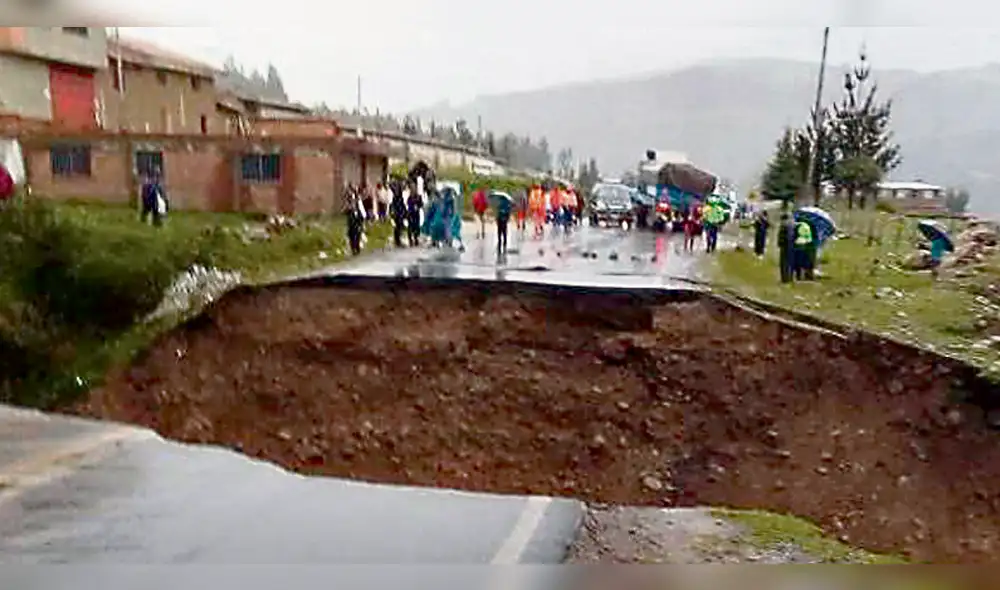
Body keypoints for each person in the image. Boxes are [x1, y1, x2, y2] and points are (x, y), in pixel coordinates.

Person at [777, 213, 796, 283]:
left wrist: (780, 243)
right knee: (790, 262)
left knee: (784, 263)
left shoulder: (784, 226)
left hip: (785, 246)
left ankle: (785, 279)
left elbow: (786, 237)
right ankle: (789, 278)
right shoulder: (792, 225)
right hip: (791, 246)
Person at [390, 180, 407, 248]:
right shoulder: (394, 197)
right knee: (397, 226)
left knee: (400, 226)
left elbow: (402, 205)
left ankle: (398, 240)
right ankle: (397, 240)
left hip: (400, 212)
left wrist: (405, 212)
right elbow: (393, 205)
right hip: (397, 213)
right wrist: (393, 212)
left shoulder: (400, 196)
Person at [406, 181, 423, 247]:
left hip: (416, 214)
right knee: (410, 227)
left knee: (416, 226)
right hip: (410, 213)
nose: (413, 189)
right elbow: (407, 203)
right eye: (412, 188)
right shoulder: (410, 197)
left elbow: (421, 204)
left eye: (414, 188)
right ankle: (410, 239)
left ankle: (416, 239)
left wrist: (418, 206)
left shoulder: (419, 196)